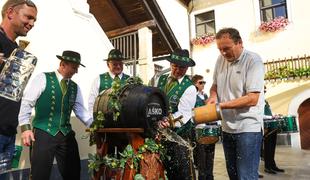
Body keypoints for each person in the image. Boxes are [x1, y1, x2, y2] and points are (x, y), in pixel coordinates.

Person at [18, 50, 93, 180]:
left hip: (66, 133)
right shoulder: (43, 78)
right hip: (43, 132)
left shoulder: (75, 87)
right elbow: (27, 102)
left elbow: (81, 111)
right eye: (74, 67)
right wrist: (25, 128)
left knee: (73, 171)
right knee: (39, 174)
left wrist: (96, 125)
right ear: (63, 64)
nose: (76, 71)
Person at [207, 27, 265, 180]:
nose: (223, 53)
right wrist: (213, 96)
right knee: (233, 175)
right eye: (220, 49)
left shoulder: (253, 61)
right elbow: (215, 85)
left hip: (248, 127)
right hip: (227, 127)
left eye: (227, 48)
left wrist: (221, 106)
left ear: (239, 43)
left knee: (246, 176)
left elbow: (252, 98)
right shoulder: (220, 60)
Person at [0, 0, 37, 176]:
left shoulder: (17, 50)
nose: (32, 23)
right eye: (28, 17)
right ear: (10, 13)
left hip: (7, 133)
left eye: (34, 20)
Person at [156, 48, 197, 180]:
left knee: (181, 173)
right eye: (175, 66)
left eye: (182, 67)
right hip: (160, 133)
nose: (178, 70)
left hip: (179, 136)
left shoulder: (189, 87)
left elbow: (184, 114)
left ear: (187, 68)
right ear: (170, 65)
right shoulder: (160, 79)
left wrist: (168, 121)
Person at [88, 49, 130, 113]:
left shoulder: (129, 80)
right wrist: (94, 120)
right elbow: (92, 103)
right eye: (115, 64)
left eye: (120, 64)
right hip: (104, 120)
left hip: (125, 120)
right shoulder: (99, 79)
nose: (118, 67)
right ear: (108, 64)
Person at [192, 74, 217, 180]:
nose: (203, 84)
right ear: (195, 84)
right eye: (200, 82)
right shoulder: (193, 96)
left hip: (209, 128)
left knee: (210, 158)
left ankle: (210, 177)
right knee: (202, 159)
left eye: (204, 82)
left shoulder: (206, 96)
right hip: (199, 130)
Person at [263, 87, 285, 174]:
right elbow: (260, 115)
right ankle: (267, 167)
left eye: (265, 90)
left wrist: (275, 115)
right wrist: (271, 117)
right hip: (266, 128)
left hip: (272, 127)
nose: (265, 91)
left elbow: (269, 113)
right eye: (263, 90)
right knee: (268, 148)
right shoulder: (258, 101)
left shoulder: (265, 101)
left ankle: (273, 165)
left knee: (272, 148)